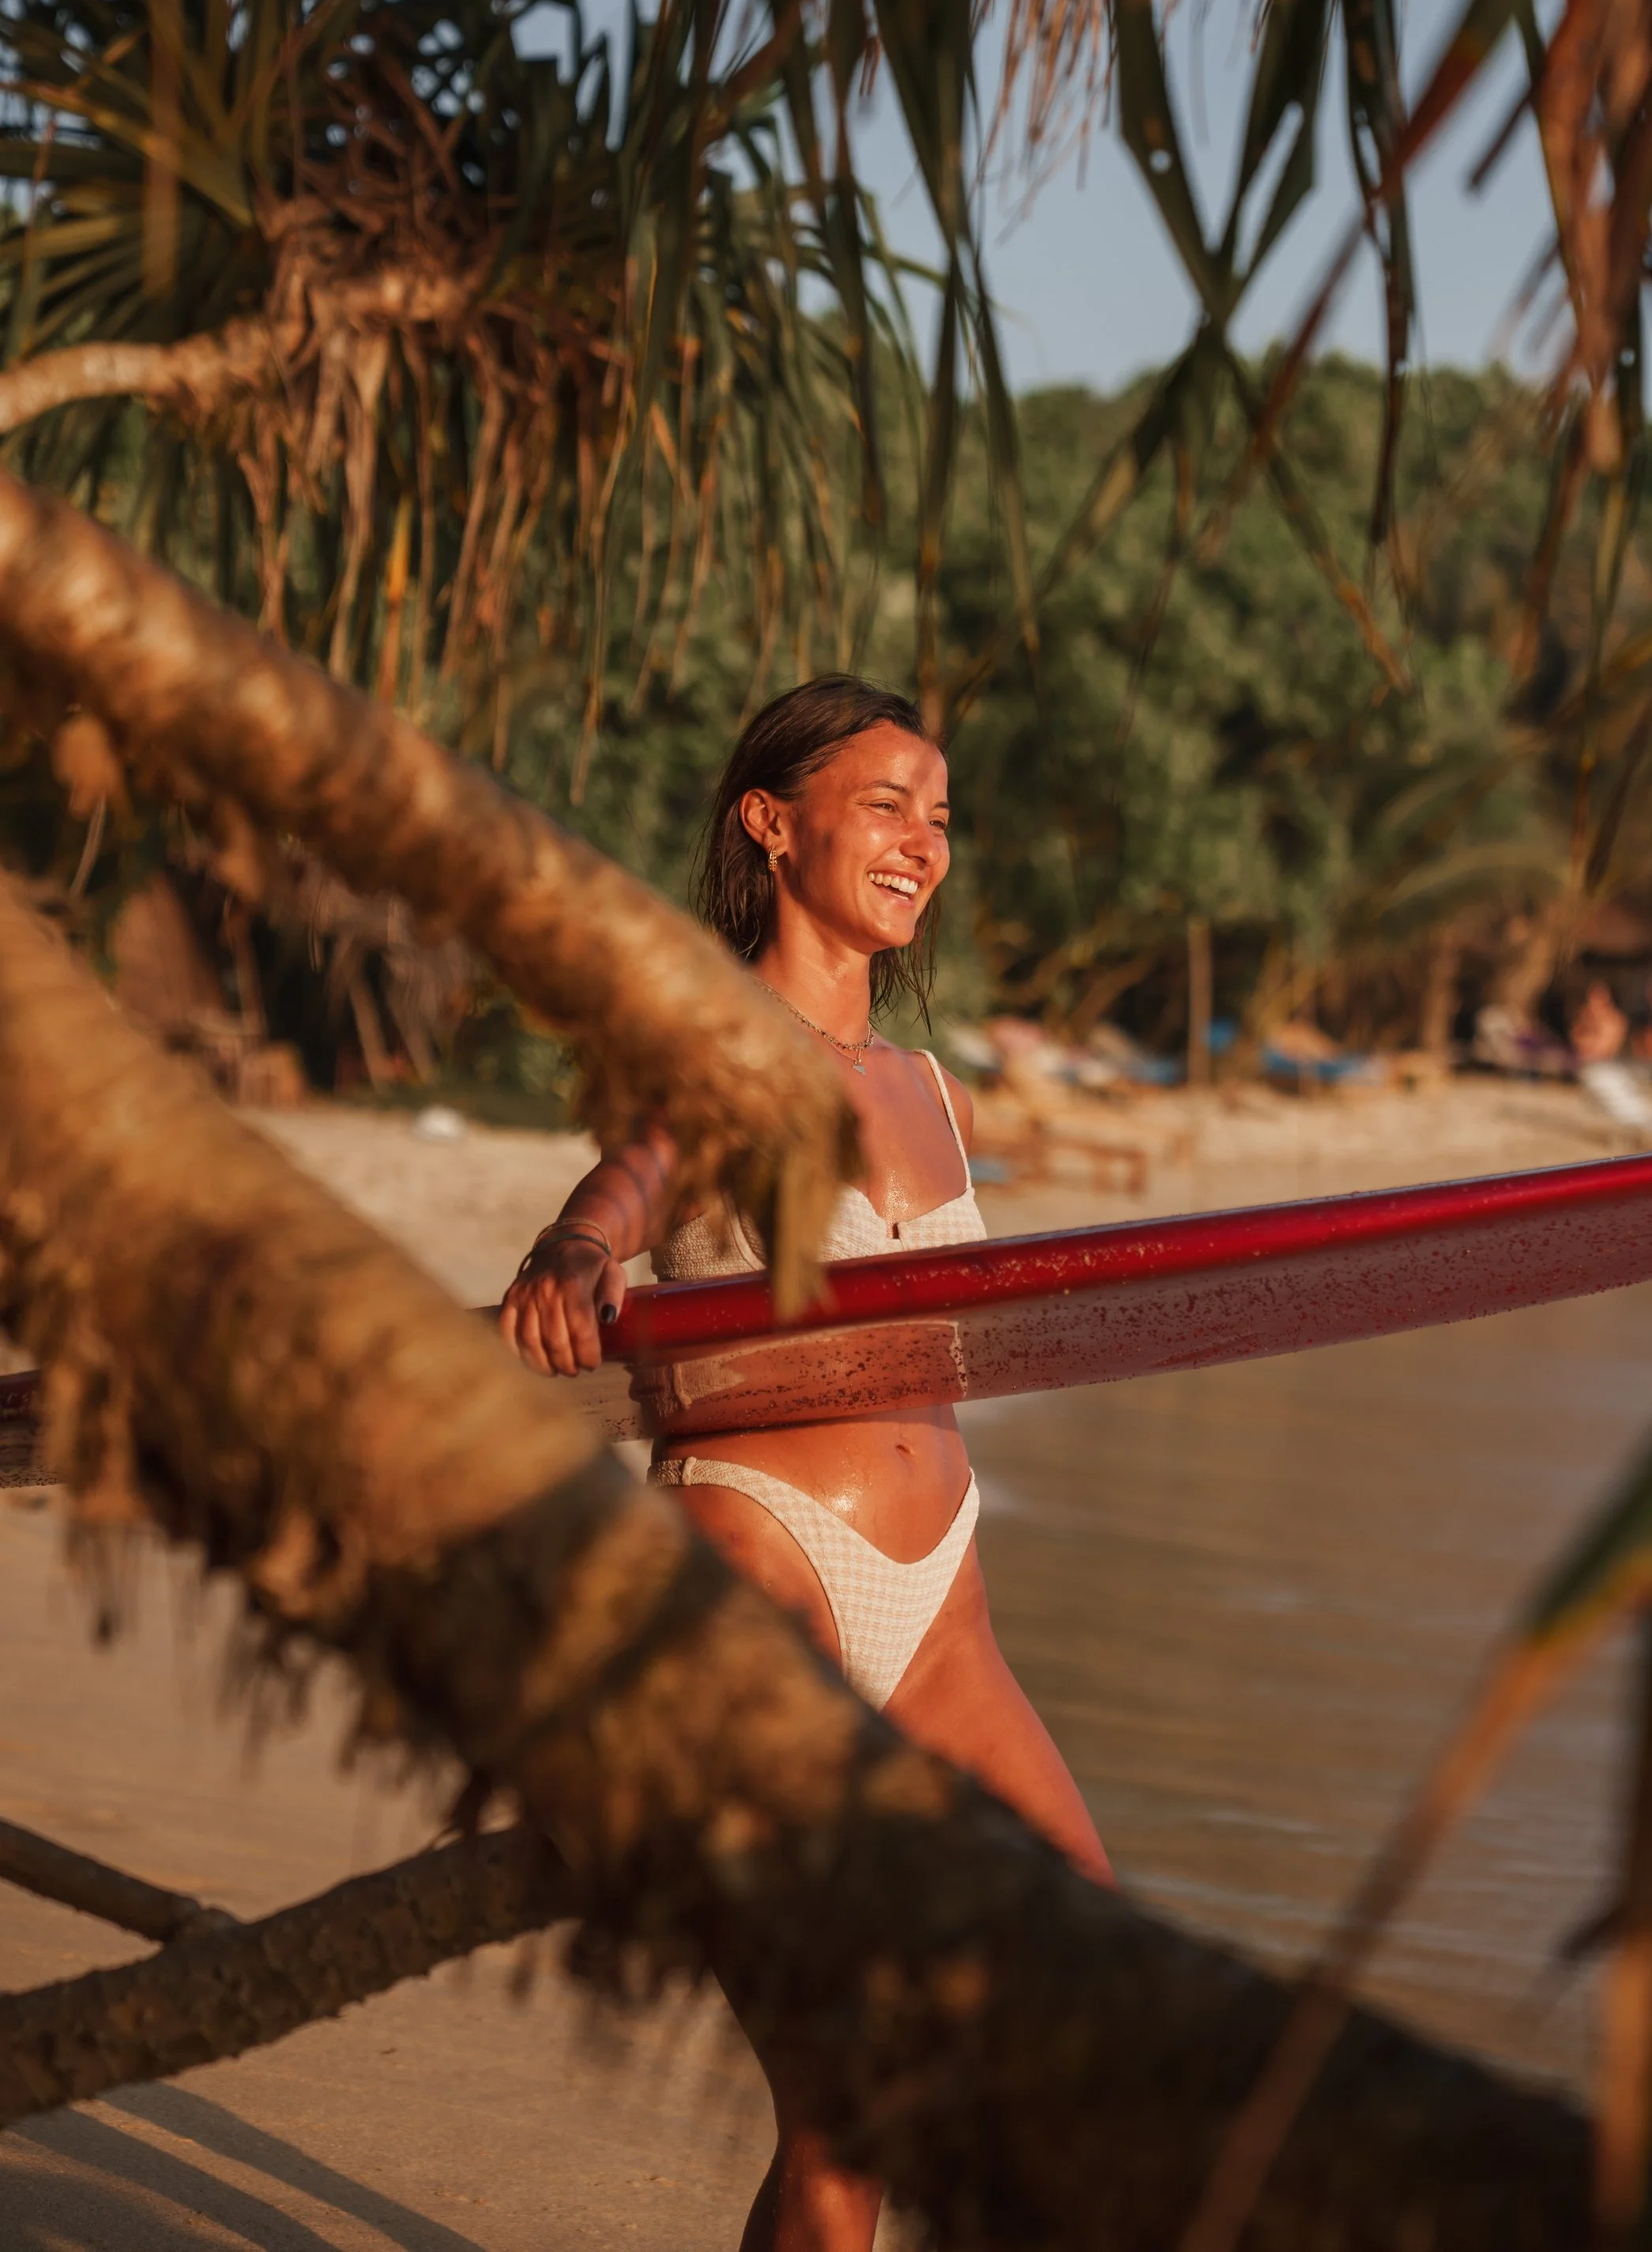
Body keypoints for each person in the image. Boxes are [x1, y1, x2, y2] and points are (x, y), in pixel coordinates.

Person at [499, 675, 1109, 2252]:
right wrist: (574, 1252)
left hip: (942, 1606)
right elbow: (630, 1182)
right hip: (755, 1556)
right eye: (888, 803)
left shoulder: (933, 1091)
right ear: (771, 824)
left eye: (942, 814)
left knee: (1089, 1988)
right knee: (847, 2109)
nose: (924, 840)